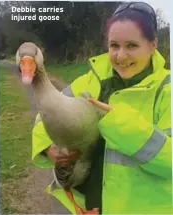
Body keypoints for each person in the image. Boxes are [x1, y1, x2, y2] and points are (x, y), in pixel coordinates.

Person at [32, 1, 172, 214]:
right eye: (114, 45)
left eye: (132, 46)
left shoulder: (167, 90)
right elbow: (45, 115)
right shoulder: (89, 81)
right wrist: (47, 149)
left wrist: (118, 123)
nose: (120, 56)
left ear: (153, 44)